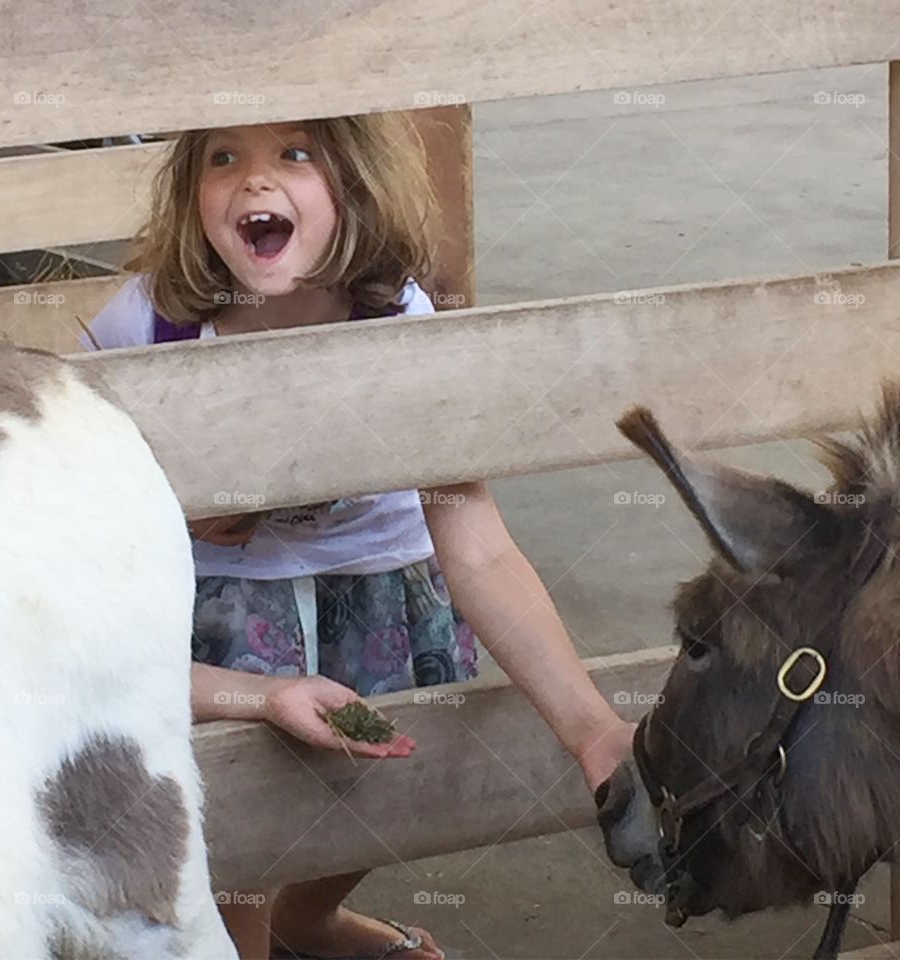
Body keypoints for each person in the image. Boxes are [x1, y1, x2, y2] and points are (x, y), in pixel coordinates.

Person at [85, 113, 634, 960]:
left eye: (294, 156)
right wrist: (184, 510)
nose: (256, 181)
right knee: (237, 830)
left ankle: (308, 917)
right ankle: (250, 938)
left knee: (380, 775)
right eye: (223, 158)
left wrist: (593, 727)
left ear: (355, 184)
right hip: (224, 610)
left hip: (380, 578)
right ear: (191, 194)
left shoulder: (399, 316)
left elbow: (477, 541)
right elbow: (84, 519)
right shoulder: (144, 323)